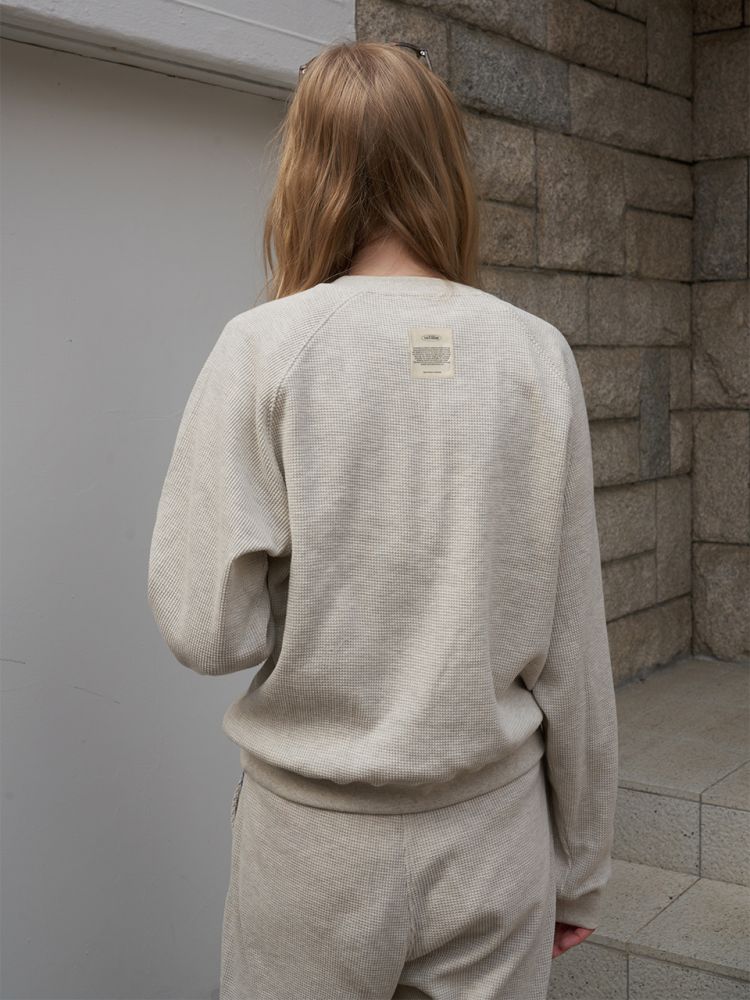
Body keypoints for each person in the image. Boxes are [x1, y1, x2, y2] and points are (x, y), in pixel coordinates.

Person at [147, 38, 619, 1000]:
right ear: (445, 163)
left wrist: (323, 594)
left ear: (306, 169)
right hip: (493, 842)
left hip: (312, 854)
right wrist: (581, 865)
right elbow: (575, 652)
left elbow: (208, 629)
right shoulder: (537, 355)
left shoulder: (264, 348)